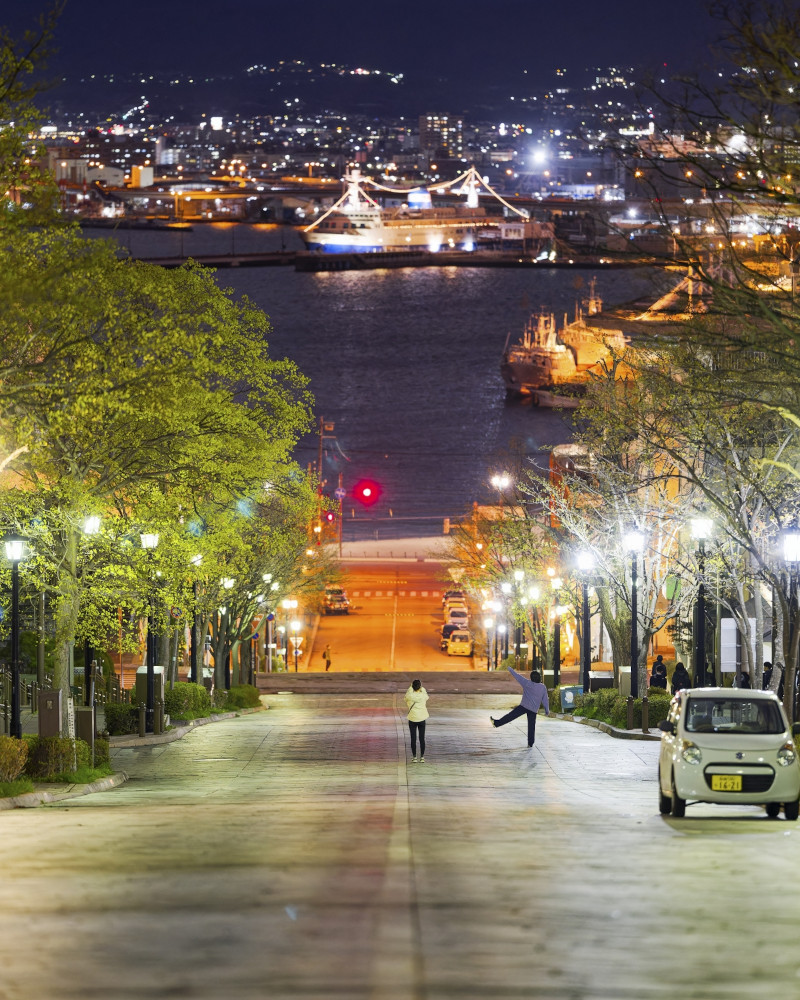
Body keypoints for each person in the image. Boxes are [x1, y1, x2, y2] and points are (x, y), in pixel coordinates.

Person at [490, 667, 550, 748]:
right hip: (533, 710)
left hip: (523, 706)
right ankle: (530, 743)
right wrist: (547, 710)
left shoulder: (527, 683)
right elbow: (545, 699)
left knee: (510, 716)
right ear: (539, 678)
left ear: (531, 678)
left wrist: (510, 669)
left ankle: (496, 723)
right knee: (531, 726)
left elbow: (517, 676)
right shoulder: (543, 687)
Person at [405, 678, 429, 763]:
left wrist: (411, 687)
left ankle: (414, 757)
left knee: (413, 738)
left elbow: (406, 697)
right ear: (420, 687)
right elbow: (425, 694)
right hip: (422, 718)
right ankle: (422, 757)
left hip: (412, 718)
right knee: (422, 738)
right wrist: (420, 688)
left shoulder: (409, 696)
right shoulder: (423, 696)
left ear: (412, 687)